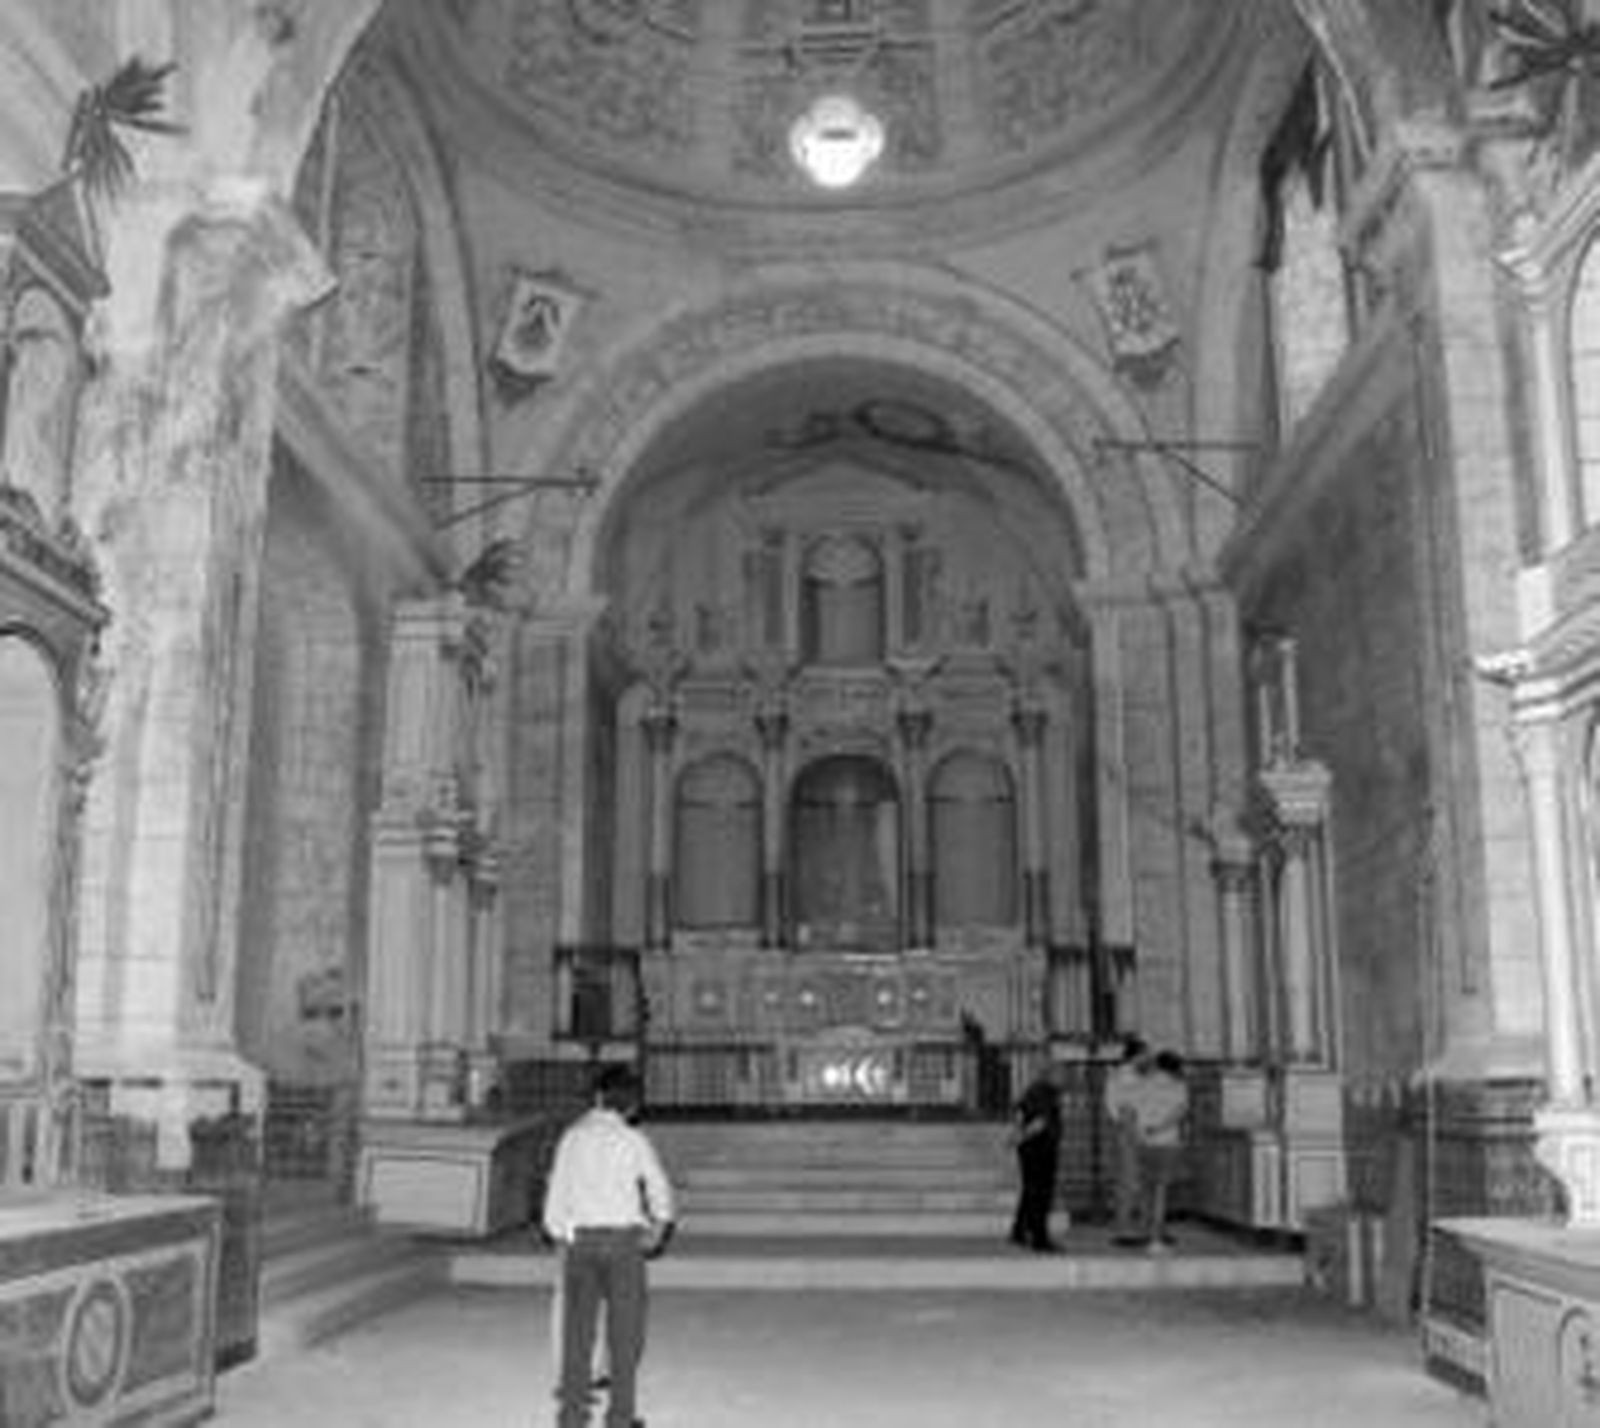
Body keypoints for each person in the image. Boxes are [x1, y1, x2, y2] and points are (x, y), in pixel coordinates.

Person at [543, 1065, 676, 1428]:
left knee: (578, 1334)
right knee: (625, 1333)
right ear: (631, 1105)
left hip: (581, 1244)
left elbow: (556, 1196)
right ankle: (620, 1417)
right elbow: (659, 1188)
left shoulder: (571, 1137)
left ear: (598, 1097)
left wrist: (560, 1233)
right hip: (622, 1245)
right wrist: (659, 1227)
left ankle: (572, 1416)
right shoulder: (633, 1139)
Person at [1133, 1050, 1189, 1254]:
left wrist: (1143, 1131)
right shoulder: (1178, 1086)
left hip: (1143, 1143)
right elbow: (1179, 1114)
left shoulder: (1143, 1083)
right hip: (1166, 1143)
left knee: (1146, 1191)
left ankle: (1147, 1233)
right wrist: (1160, 1128)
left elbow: (1134, 1110)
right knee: (1160, 1192)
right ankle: (1156, 1240)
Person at [1008, 1059, 1067, 1252]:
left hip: (1030, 1148)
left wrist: (1017, 1135)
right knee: (1041, 1194)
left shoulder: (1032, 1089)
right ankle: (1039, 1238)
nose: (1064, 1077)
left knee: (1030, 1191)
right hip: (1039, 1148)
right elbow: (1040, 1122)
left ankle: (1019, 1231)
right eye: (1060, 1073)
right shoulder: (1045, 1092)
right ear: (1050, 1074)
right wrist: (1021, 1136)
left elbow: (1018, 1112)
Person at [1102, 1035, 1151, 1247]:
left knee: (1136, 1180)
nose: (1148, 1058)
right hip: (1128, 1127)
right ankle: (1124, 1228)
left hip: (1133, 1127)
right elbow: (1123, 1107)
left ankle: (1140, 1226)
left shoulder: (1132, 1075)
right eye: (1146, 1054)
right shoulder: (1125, 1075)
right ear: (1137, 1055)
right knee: (1129, 1180)